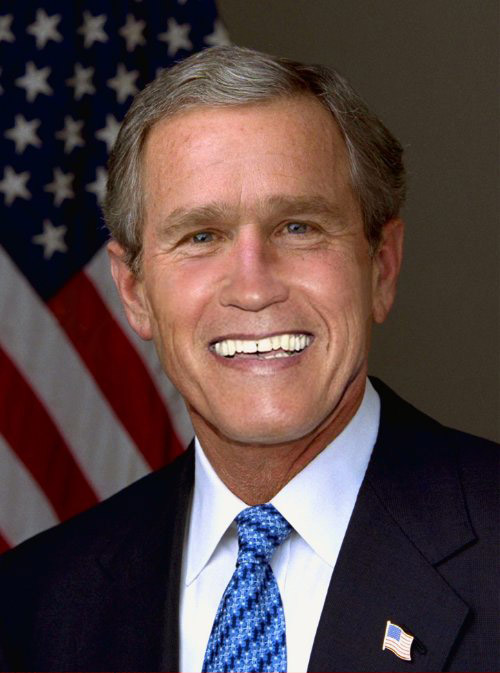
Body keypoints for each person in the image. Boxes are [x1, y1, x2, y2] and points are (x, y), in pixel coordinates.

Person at [0, 46, 497, 673]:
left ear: (381, 266)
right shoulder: (31, 606)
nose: (254, 288)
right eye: (201, 236)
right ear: (134, 292)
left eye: (299, 227)